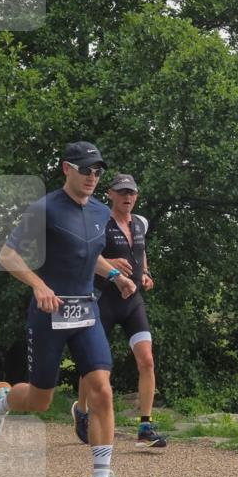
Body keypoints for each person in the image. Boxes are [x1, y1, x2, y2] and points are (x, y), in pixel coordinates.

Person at [0, 141, 137, 477]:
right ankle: (2, 398)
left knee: (101, 389)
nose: (92, 178)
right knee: (40, 399)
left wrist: (115, 275)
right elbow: (7, 254)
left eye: (97, 172)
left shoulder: (100, 211)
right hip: (49, 313)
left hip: (86, 310)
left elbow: (88, 253)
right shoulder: (45, 208)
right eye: (85, 170)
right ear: (67, 169)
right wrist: (39, 285)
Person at [72, 173, 165, 449]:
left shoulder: (141, 223)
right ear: (110, 194)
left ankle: (145, 427)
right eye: (122, 192)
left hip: (132, 300)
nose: (127, 197)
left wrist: (145, 272)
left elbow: (141, 249)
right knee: (94, 364)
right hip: (103, 299)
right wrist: (109, 263)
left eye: (132, 193)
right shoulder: (98, 222)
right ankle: (83, 411)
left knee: (147, 360)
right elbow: (86, 255)